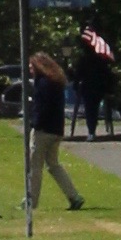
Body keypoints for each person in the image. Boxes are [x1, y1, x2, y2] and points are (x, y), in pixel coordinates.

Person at [25, 50, 82, 211]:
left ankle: (31, 200)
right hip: (56, 130)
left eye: (31, 66)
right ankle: (74, 196)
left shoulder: (42, 82)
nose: (30, 69)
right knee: (53, 165)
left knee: (35, 166)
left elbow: (42, 107)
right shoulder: (57, 81)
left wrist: (35, 124)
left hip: (43, 130)